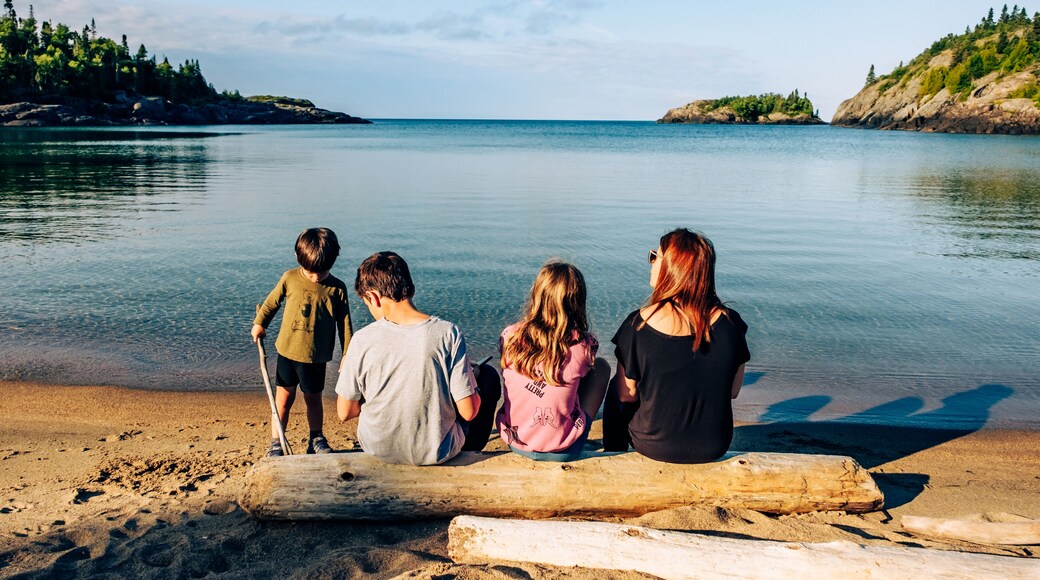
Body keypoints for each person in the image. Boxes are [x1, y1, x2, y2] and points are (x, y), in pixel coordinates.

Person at [335, 251, 501, 466]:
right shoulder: (447, 333)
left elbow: (344, 412)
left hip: (377, 448)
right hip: (437, 453)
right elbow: (469, 412)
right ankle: (470, 451)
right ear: (410, 287)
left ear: (373, 297)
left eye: (367, 303)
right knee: (488, 376)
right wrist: (471, 380)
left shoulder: (362, 339)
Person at [602, 228, 750, 464]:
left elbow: (626, 395)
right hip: (714, 445)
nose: (650, 262)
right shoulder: (731, 325)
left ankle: (613, 450)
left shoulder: (638, 326)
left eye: (655, 256)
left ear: (673, 268)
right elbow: (732, 391)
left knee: (617, 386)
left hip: (652, 445)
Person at [251, 227, 353, 457]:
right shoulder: (289, 278)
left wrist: (347, 353)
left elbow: (344, 323)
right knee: (283, 400)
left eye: (322, 271)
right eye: (311, 271)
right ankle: (277, 442)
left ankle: (316, 438)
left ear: (334, 260)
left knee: (313, 400)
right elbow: (271, 303)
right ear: (299, 258)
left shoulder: (337, 288)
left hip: (316, 358)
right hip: (287, 352)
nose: (316, 276)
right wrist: (260, 324)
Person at [496, 261, 609, 462]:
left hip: (515, 442)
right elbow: (583, 369)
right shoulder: (584, 345)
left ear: (536, 295)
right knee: (601, 367)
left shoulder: (510, 336)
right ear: (578, 302)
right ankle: (569, 426)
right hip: (565, 449)